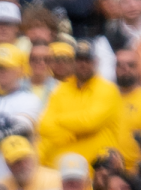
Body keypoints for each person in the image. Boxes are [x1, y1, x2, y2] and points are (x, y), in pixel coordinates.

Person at [38, 40, 125, 168]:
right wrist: (74, 128)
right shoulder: (61, 89)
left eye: (87, 60)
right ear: (73, 62)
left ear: (96, 62)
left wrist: (58, 121)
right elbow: (44, 125)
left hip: (94, 170)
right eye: (79, 60)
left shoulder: (108, 89)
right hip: (58, 168)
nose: (83, 64)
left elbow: (89, 121)